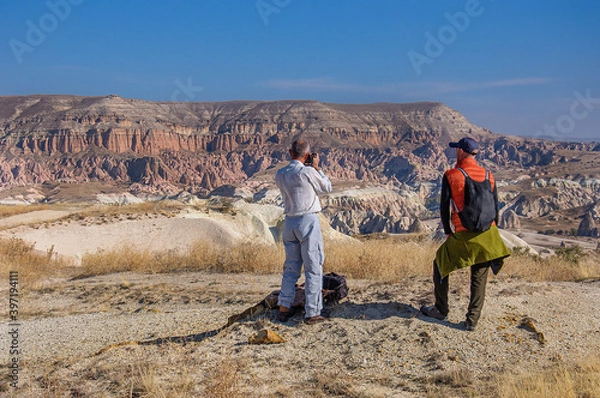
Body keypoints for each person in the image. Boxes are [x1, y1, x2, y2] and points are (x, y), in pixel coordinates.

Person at [421, 137, 510, 331]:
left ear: (461, 152)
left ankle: (441, 309)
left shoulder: (452, 174)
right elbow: (495, 207)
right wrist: (493, 232)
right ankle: (472, 321)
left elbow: (445, 207)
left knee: (440, 263)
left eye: (456, 149)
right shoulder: (489, 174)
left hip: (464, 234)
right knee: (479, 275)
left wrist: (447, 233)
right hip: (489, 233)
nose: (455, 152)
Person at [276, 139, 333, 325]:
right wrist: (317, 167)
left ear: (290, 153)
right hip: (307, 220)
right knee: (313, 267)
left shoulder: (280, 173)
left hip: (289, 222)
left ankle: (284, 307)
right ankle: (312, 312)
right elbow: (327, 187)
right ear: (307, 156)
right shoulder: (308, 172)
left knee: (291, 268)